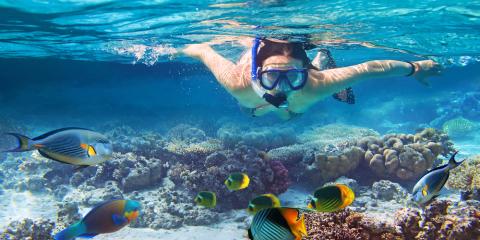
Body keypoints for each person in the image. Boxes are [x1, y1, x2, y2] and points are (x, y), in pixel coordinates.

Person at [183, 37, 442, 120]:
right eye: (272, 76)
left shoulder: (315, 84)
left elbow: (371, 67)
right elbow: (204, 50)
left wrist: (415, 67)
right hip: (253, 102)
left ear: (304, 73)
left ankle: (319, 59)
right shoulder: (237, 81)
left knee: (291, 114)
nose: (282, 87)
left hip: (304, 87)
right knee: (251, 110)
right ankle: (318, 61)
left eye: (293, 76)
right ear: (257, 72)